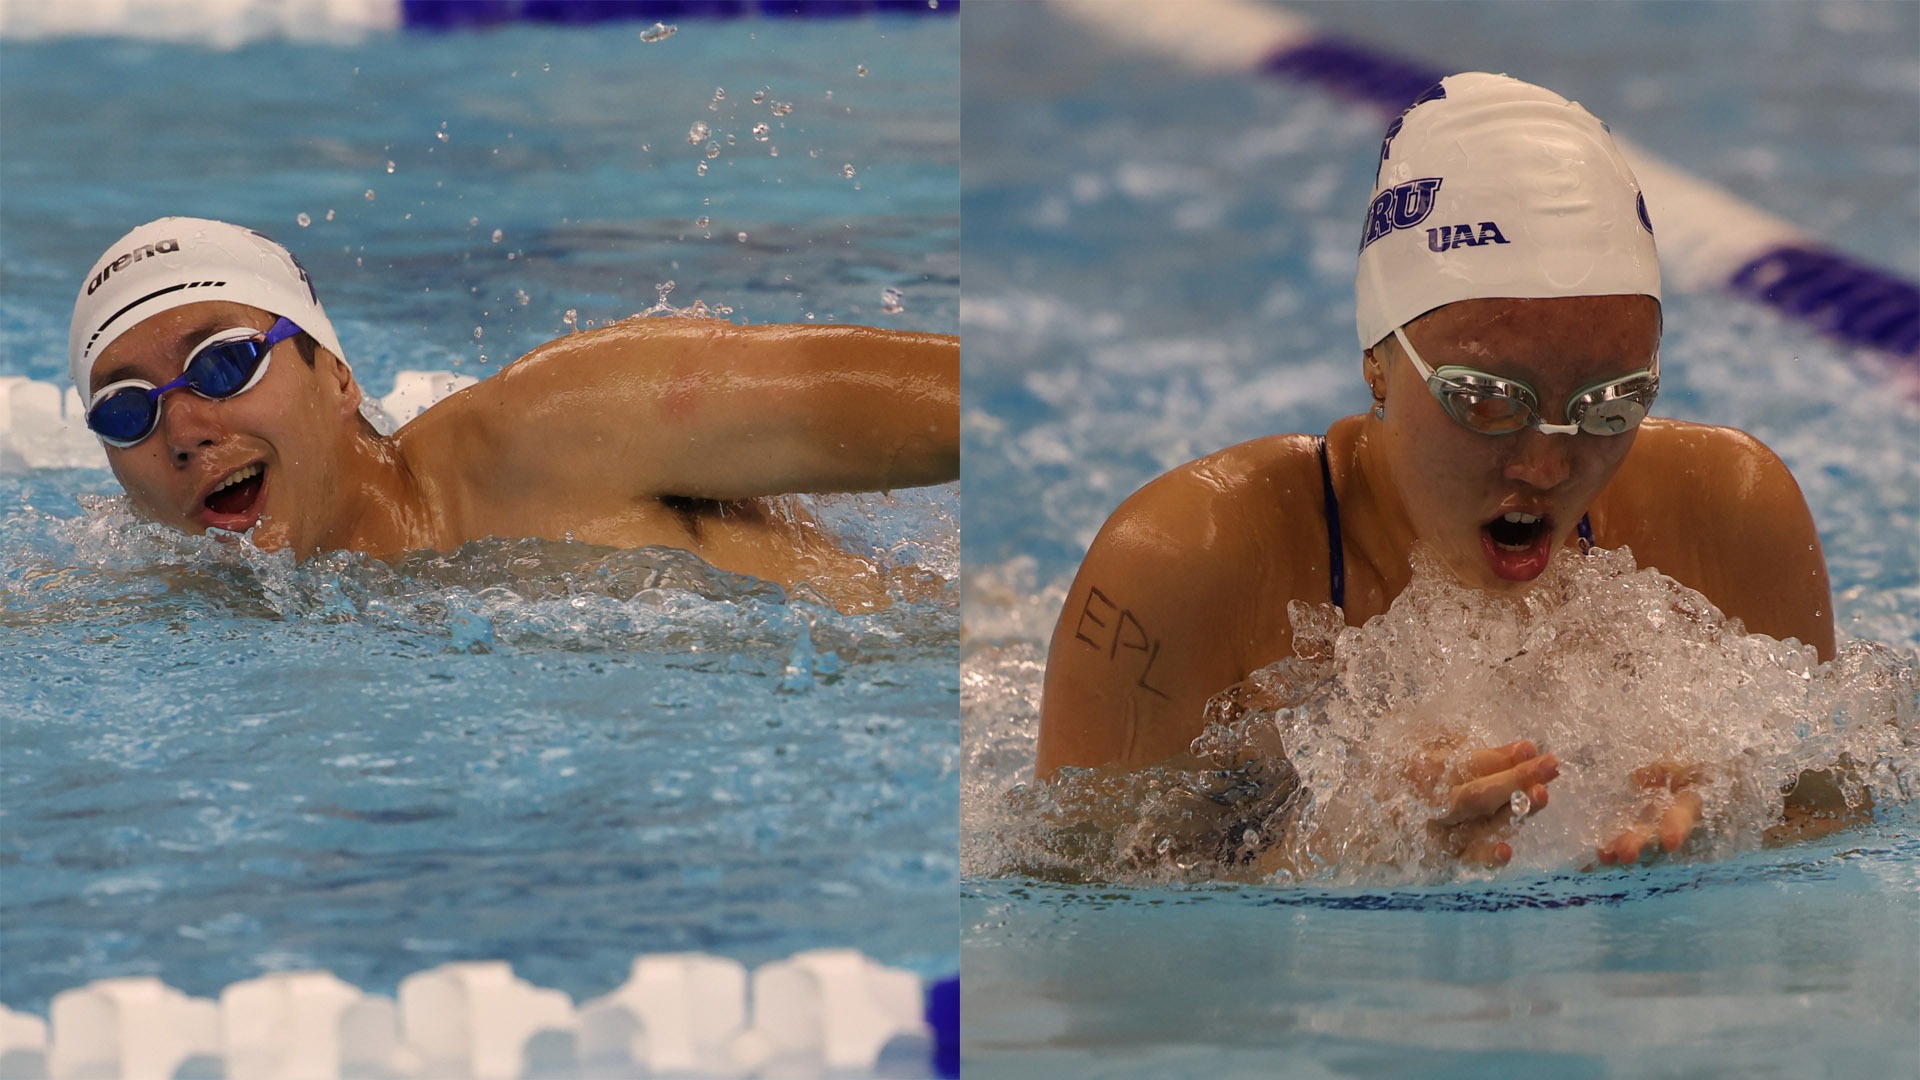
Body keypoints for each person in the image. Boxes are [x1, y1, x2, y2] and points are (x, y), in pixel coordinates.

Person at [1035, 73, 1839, 868]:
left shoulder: (1728, 514)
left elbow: (1843, 814)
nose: (1547, 462)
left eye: (1609, 403)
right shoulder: (1187, 563)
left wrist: (1743, 813)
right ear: (1379, 360)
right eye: (1487, 398)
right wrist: (1334, 849)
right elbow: (1068, 900)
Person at [70, 217, 958, 611]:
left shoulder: (567, 424)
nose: (181, 431)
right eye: (124, 414)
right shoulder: (191, 610)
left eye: (220, 363)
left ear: (337, 375)